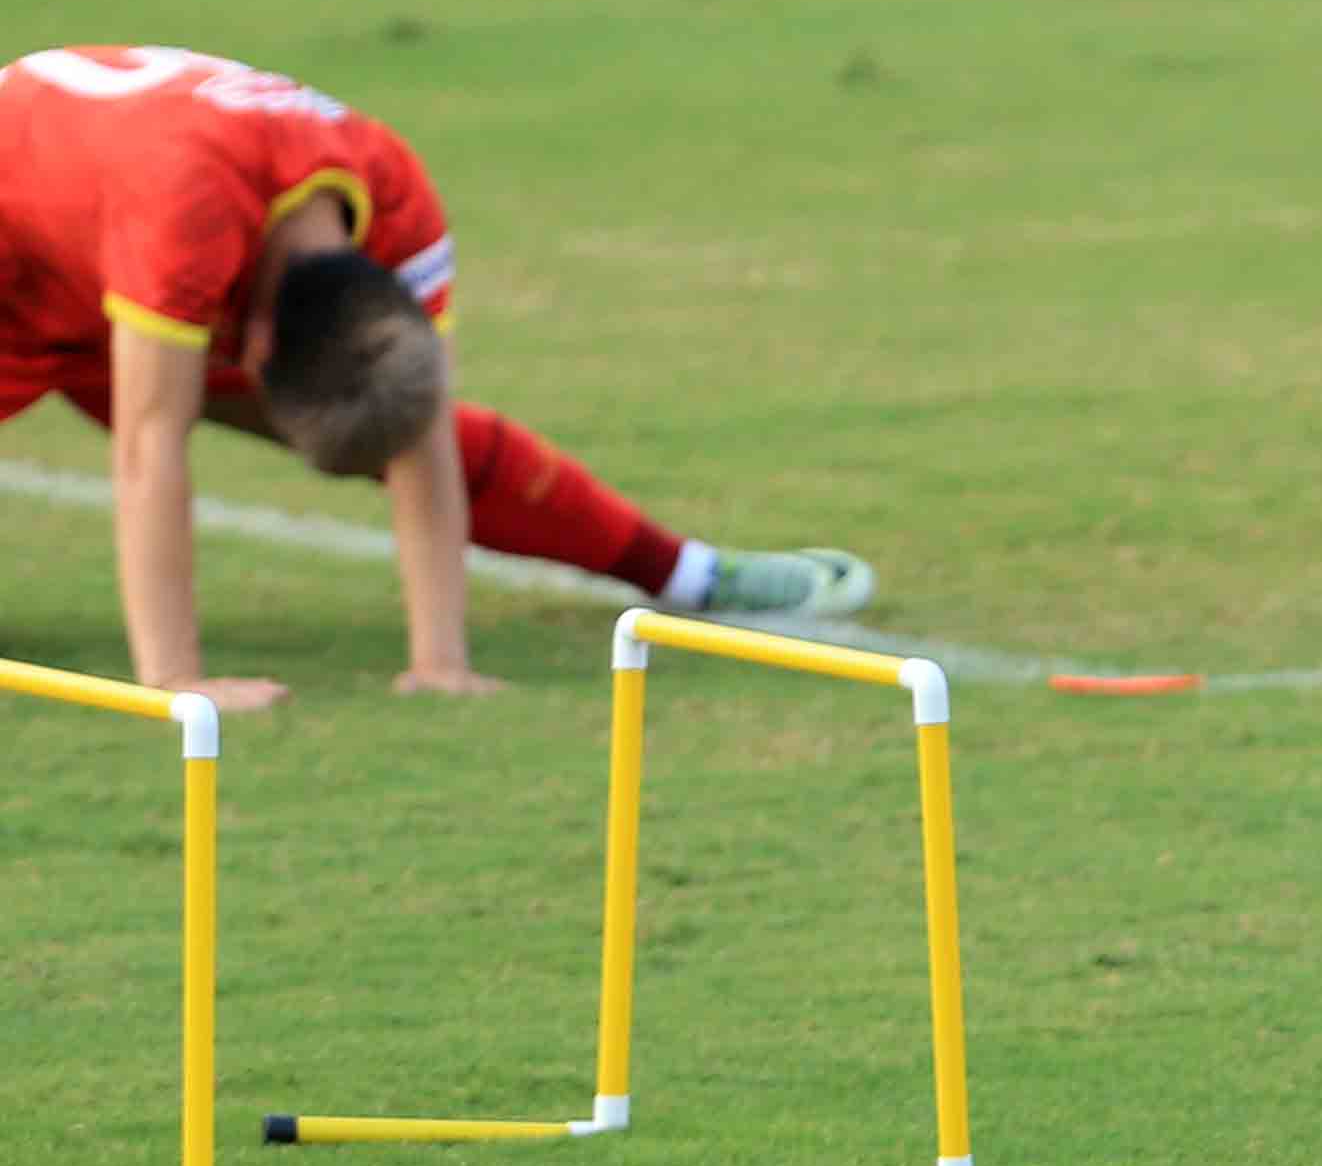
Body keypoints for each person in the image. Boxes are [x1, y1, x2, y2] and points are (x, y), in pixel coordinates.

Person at [0, 44, 877, 712]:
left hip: (131, 236)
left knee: (389, 402)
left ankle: (686, 573)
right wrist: (177, 686)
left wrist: (440, 663)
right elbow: (150, 451)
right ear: (252, 351)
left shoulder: (400, 207)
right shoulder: (184, 217)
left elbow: (419, 426)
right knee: (162, 416)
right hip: (21, 253)